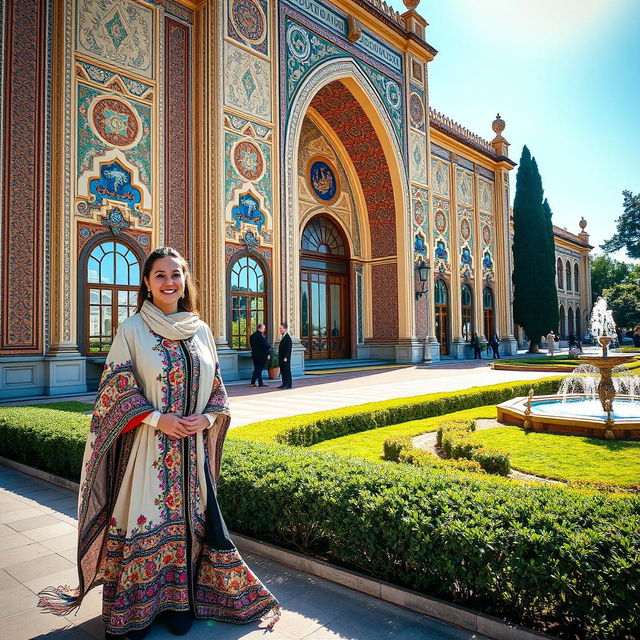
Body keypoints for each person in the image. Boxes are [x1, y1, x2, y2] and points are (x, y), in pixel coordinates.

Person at [38, 247, 280, 638]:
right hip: (149, 453)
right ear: (147, 284)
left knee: (192, 526)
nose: (170, 282)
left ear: (185, 281)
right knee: (147, 523)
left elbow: (216, 385)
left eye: (176, 274)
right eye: (160, 275)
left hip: (192, 453)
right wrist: (157, 418)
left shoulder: (200, 329)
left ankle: (183, 604)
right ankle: (140, 610)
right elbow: (115, 387)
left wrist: (209, 416)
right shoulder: (132, 329)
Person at [249, 323, 271, 387]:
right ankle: (253, 382)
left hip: (254, 355)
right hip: (261, 355)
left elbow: (252, 345)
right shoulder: (260, 336)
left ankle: (260, 382)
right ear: (259, 328)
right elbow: (265, 345)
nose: (264, 329)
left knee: (257, 368)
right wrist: (268, 351)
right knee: (258, 369)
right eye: (263, 328)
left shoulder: (252, 336)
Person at [278, 322, 292, 389]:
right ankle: (284, 383)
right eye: (280, 328)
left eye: (281, 328)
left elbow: (288, 348)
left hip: (285, 358)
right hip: (282, 357)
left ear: (285, 329)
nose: (280, 330)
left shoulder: (287, 338)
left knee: (286, 370)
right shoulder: (283, 337)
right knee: (283, 370)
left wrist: (286, 357)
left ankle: (287, 384)